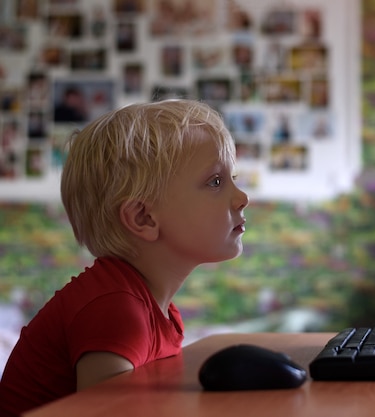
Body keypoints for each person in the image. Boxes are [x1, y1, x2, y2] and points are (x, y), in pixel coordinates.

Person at [0, 99, 249, 416]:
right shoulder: (115, 309)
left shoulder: (154, 307)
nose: (243, 198)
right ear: (143, 218)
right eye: (215, 181)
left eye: (233, 179)